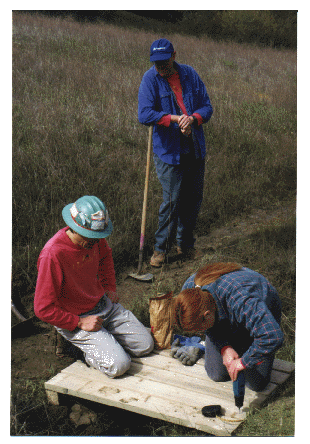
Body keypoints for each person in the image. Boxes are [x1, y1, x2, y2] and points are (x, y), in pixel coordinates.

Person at [34, 195, 154, 378]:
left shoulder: (94, 238)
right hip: (76, 318)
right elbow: (42, 309)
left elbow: (106, 257)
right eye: (90, 237)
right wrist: (79, 322)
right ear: (75, 227)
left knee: (145, 345)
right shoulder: (52, 255)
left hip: (102, 305)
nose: (95, 241)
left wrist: (109, 287)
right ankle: (77, 350)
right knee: (119, 365)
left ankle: (106, 343)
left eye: (98, 237)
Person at [138, 38, 213, 267]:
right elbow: (144, 114)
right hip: (169, 151)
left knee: (192, 199)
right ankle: (161, 250)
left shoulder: (190, 74)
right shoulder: (150, 79)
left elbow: (207, 107)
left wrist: (193, 118)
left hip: (194, 147)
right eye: (156, 62)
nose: (160, 67)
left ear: (174, 56)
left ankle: (186, 245)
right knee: (172, 201)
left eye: (164, 61)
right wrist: (173, 119)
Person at [171, 262, 284, 392]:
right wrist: (224, 348)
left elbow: (272, 336)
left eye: (199, 330)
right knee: (216, 374)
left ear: (207, 315)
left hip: (261, 315)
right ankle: (236, 345)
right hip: (224, 314)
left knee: (255, 384)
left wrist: (243, 362)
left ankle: (247, 343)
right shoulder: (189, 291)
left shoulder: (240, 297)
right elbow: (209, 329)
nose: (200, 333)